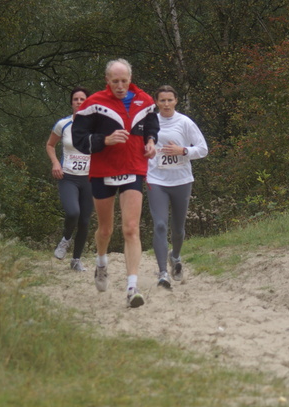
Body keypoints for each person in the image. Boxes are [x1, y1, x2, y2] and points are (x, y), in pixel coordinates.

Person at [72, 59, 159, 308]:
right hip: (103, 170)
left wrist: (151, 141)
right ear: (107, 80)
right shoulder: (93, 104)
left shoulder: (145, 101)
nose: (120, 86)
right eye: (115, 81)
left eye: (124, 81)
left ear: (130, 79)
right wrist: (105, 140)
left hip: (133, 167)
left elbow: (152, 126)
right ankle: (101, 263)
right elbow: (79, 139)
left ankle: (132, 287)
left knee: (131, 228)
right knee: (106, 230)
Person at [147, 85, 208, 288]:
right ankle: (163, 273)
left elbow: (203, 149)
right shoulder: (150, 121)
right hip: (156, 180)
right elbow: (138, 147)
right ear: (156, 102)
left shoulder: (184, 122)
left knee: (178, 229)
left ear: (176, 101)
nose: (166, 104)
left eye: (169, 100)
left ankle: (176, 256)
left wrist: (182, 150)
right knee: (160, 225)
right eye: (162, 100)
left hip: (181, 180)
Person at [46, 86, 93, 271]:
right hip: (68, 177)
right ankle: (65, 239)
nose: (79, 102)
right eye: (76, 99)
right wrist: (55, 163)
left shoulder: (95, 126)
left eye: (83, 99)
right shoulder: (63, 124)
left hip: (89, 178)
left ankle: (76, 260)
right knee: (73, 212)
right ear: (71, 103)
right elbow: (50, 145)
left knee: (84, 221)